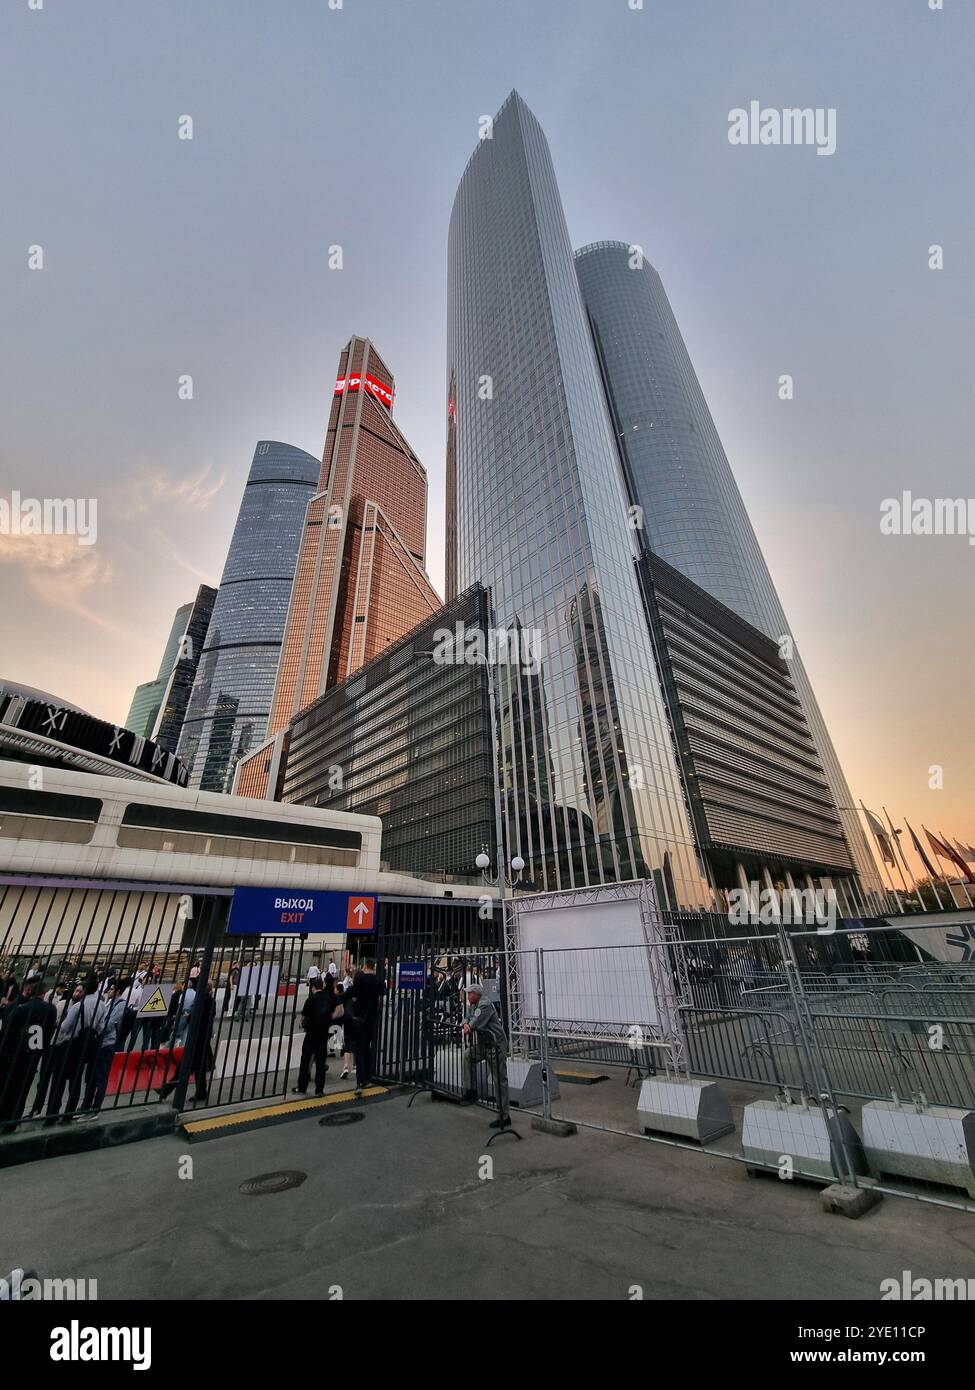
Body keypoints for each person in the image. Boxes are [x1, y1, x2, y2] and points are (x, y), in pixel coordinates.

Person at [0, 975, 57, 1134]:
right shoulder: (50, 1009)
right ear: (43, 993)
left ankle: (4, 1116)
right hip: (33, 1054)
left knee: (8, 1086)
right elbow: (49, 1032)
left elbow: (7, 1034)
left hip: (15, 1054)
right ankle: (14, 1118)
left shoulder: (20, 1009)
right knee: (23, 1089)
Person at [44, 984, 103, 1124]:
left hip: (70, 1045)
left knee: (59, 1080)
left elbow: (64, 1027)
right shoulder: (101, 1005)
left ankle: (52, 1113)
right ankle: (69, 1113)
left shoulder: (77, 1006)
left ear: (84, 992)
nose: (77, 993)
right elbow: (101, 1027)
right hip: (85, 1045)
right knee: (75, 1081)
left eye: (79, 991)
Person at [157, 981, 216, 1105]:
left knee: (185, 1067)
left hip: (197, 1037)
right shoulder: (211, 1001)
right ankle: (200, 1092)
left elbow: (192, 1018)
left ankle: (167, 1091)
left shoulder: (202, 1001)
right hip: (203, 1037)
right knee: (197, 1068)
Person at [462, 981, 510, 1129]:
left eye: (470, 993)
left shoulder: (484, 1005)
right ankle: (471, 1090)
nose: (468, 996)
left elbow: (475, 1023)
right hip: (485, 1044)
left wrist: (469, 1025)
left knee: (499, 1080)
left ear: (477, 994)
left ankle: (504, 1115)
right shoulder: (473, 1005)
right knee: (468, 1055)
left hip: (496, 1046)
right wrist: (465, 1023)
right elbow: (466, 1018)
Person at [79, 982, 127, 1117]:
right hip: (98, 1043)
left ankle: (95, 1108)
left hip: (107, 1043)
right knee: (91, 1077)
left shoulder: (121, 1005)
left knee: (101, 1077)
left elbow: (110, 1024)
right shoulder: (108, 1002)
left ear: (118, 991)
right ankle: (85, 1105)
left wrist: (96, 1028)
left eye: (111, 989)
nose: (108, 991)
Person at [292, 976, 335, 1097]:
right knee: (321, 1062)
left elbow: (303, 1017)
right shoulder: (328, 998)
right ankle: (319, 1089)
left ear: (313, 988)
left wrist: (302, 1024)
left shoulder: (311, 999)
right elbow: (334, 1013)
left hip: (311, 1033)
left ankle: (302, 1086)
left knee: (305, 1060)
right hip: (323, 1033)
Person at [349, 959, 385, 1095]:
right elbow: (380, 1000)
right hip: (371, 1018)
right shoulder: (378, 980)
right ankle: (369, 1077)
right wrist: (376, 1014)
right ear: (373, 966)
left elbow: (353, 997)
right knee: (367, 1047)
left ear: (365, 966)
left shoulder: (359, 979)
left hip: (360, 1018)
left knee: (360, 1049)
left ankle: (360, 1081)